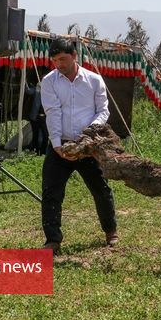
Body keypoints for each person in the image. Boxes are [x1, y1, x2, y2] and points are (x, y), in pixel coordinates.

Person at [40, 37, 118, 253]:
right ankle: (53, 240)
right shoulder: (49, 81)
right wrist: (57, 144)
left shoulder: (94, 80)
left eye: (63, 59)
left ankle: (110, 231)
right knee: (51, 192)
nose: (59, 64)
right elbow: (52, 112)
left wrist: (89, 134)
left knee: (101, 189)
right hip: (60, 145)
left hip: (89, 146)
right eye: (55, 60)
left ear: (75, 56)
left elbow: (103, 110)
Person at [25, 81, 49, 155]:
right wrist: (25, 81)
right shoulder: (36, 90)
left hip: (45, 118)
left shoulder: (49, 92)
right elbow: (28, 91)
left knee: (46, 135)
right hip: (35, 117)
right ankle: (35, 150)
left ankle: (43, 151)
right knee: (35, 134)